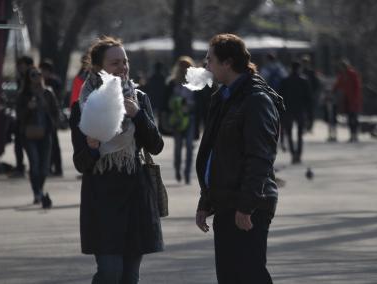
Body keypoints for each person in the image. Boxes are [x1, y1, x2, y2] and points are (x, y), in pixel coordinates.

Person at [69, 35, 164, 284]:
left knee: (130, 276)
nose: (123, 67)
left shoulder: (139, 99)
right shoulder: (83, 106)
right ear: (98, 68)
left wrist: (138, 115)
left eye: (125, 61)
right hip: (102, 197)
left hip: (135, 194)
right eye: (115, 63)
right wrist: (91, 148)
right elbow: (80, 163)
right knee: (110, 272)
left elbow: (156, 145)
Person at [195, 34, 284, 283]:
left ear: (228, 62)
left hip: (248, 204)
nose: (206, 65)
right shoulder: (223, 97)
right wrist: (206, 200)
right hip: (226, 200)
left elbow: (261, 157)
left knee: (250, 274)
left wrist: (247, 206)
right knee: (230, 276)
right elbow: (216, 154)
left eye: (210, 59)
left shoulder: (256, 99)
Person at [16, 66, 59, 204]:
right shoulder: (23, 95)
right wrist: (28, 108)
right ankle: (37, 193)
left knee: (44, 167)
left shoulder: (48, 92)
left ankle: (39, 189)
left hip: (45, 133)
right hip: (28, 135)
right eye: (33, 74)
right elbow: (19, 116)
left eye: (39, 74)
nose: (37, 77)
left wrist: (53, 123)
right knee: (34, 164)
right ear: (28, 78)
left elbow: (56, 112)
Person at [165, 56, 198, 184]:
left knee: (189, 146)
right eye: (182, 66)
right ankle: (178, 169)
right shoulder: (172, 82)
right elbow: (166, 101)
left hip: (190, 117)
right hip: (177, 118)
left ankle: (187, 173)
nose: (184, 69)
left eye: (187, 66)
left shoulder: (195, 83)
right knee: (178, 147)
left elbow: (200, 101)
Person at [279, 61, 312, 164]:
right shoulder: (304, 81)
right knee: (299, 134)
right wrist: (309, 113)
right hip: (300, 110)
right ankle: (299, 154)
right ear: (299, 69)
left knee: (289, 134)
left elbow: (279, 96)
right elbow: (308, 98)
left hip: (288, 110)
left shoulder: (285, 81)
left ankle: (293, 154)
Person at [8, 55, 34, 178]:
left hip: (31, 118)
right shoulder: (20, 79)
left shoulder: (34, 78)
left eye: (21, 65)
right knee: (18, 143)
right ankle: (20, 166)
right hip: (21, 116)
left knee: (31, 145)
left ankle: (34, 166)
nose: (19, 68)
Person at [39, 59, 63, 176]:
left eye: (44, 70)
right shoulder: (39, 82)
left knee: (54, 144)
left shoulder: (54, 82)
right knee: (47, 144)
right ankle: (48, 167)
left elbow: (57, 100)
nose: (43, 73)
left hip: (51, 116)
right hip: (43, 117)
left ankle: (57, 168)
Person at [332, 59, 362, 142]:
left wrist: (356, 98)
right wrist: (332, 91)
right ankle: (352, 135)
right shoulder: (342, 75)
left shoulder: (352, 74)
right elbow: (338, 84)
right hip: (347, 100)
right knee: (349, 118)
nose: (341, 68)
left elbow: (357, 87)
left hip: (354, 99)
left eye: (342, 66)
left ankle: (355, 135)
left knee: (354, 118)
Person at [301, 55, 321, 132]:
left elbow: (316, 84)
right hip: (302, 96)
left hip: (310, 95)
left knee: (310, 112)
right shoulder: (300, 72)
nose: (305, 64)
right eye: (304, 62)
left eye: (306, 62)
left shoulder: (311, 72)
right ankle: (305, 125)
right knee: (303, 111)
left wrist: (314, 93)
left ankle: (309, 126)